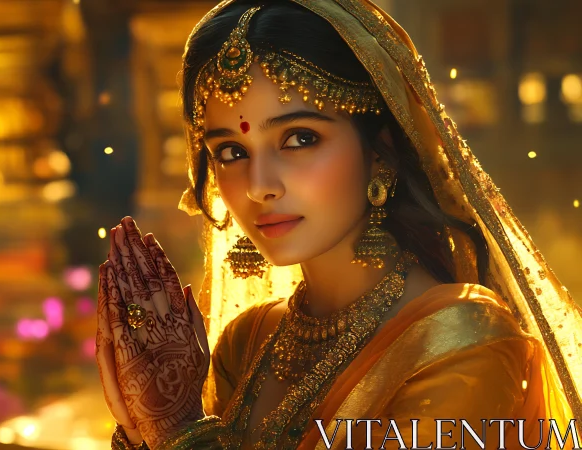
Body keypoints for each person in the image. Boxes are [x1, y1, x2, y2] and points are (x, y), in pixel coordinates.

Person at [95, 1, 582, 449]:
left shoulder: (463, 342)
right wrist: (144, 425)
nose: (259, 186)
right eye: (231, 151)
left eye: (299, 138)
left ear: (380, 150)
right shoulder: (247, 342)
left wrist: (176, 430)